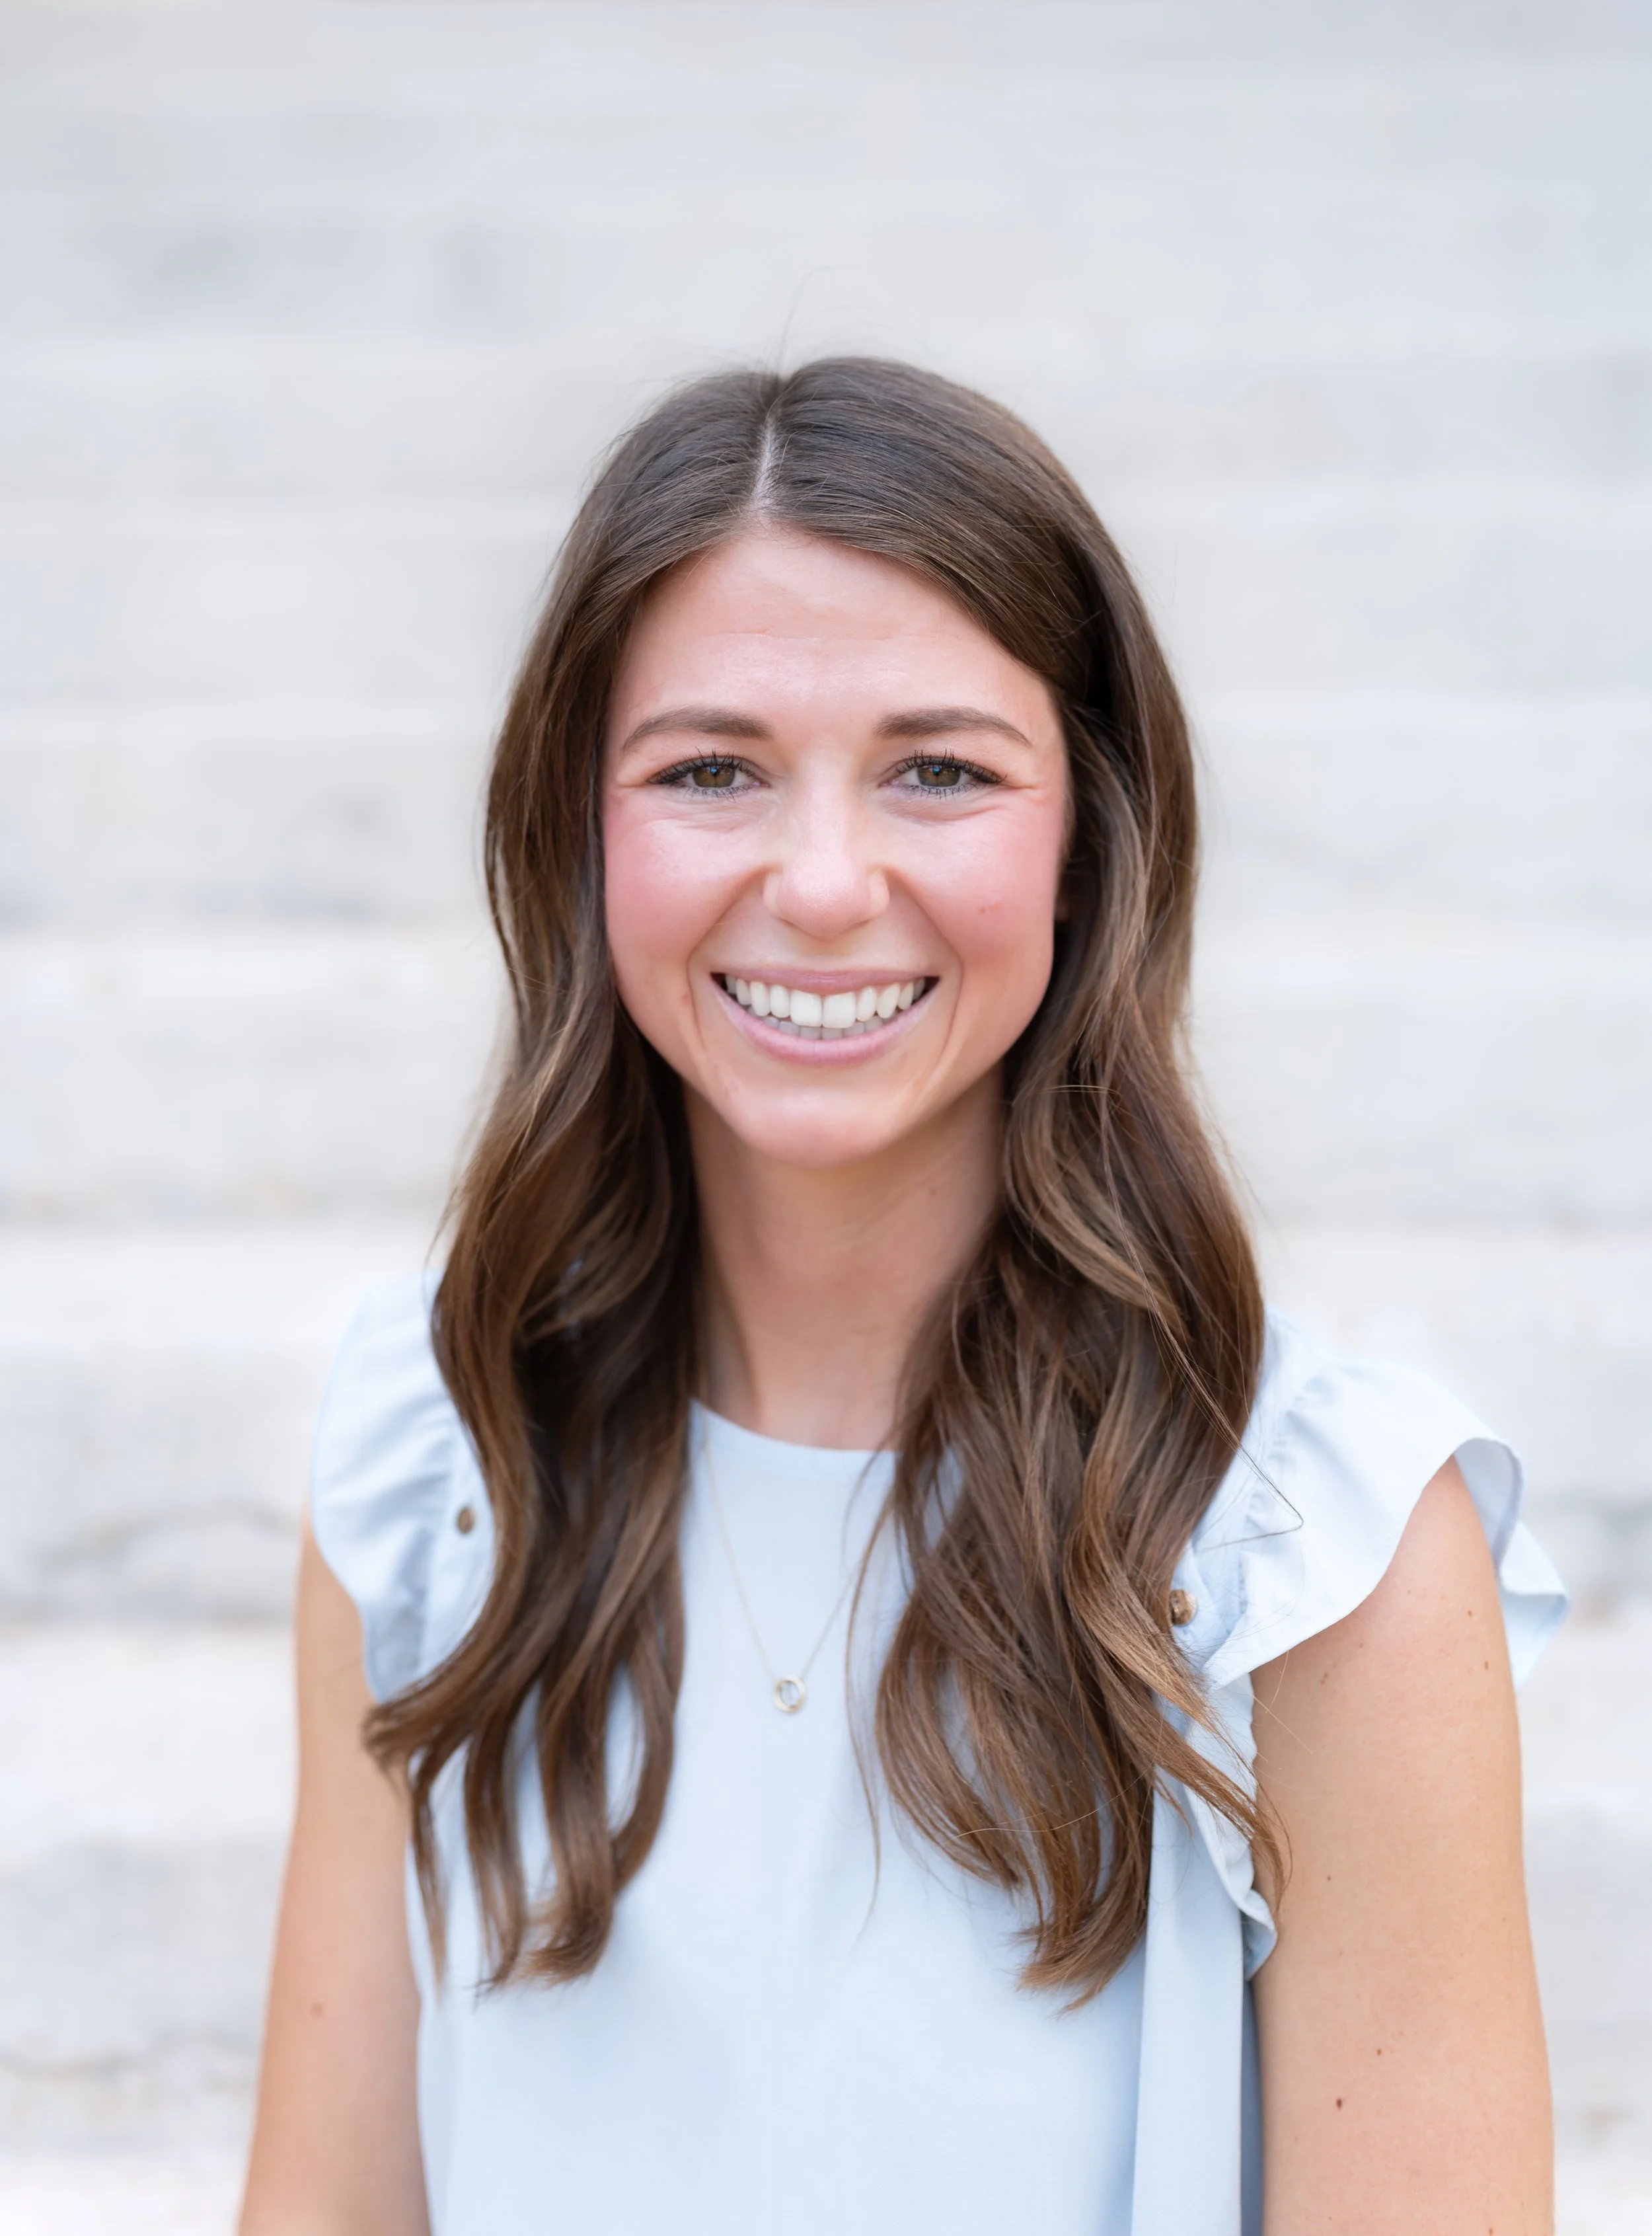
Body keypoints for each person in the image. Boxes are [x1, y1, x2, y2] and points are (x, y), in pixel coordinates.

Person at [238, 360, 1566, 2236]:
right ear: (579, 830)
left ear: (1086, 836)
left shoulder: (1320, 1545)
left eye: (937, 768)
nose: (825, 880)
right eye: (710, 769)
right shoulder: (434, 1455)